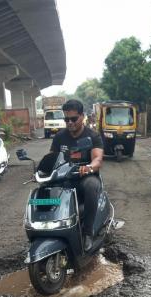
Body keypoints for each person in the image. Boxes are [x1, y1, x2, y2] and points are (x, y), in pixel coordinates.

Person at [50, 99, 104, 251]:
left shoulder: (92, 136)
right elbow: (51, 158)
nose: (70, 122)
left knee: (91, 186)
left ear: (82, 116)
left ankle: (88, 233)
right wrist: (41, 170)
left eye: (73, 119)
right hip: (64, 179)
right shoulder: (59, 137)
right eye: (66, 119)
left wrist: (88, 167)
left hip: (85, 178)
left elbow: (98, 160)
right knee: (43, 193)